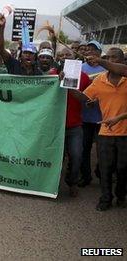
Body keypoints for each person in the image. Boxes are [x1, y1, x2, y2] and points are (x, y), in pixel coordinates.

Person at [69, 48, 127, 211]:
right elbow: (85, 98)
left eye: (114, 58)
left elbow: (118, 69)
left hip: (125, 134)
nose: (110, 60)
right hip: (106, 133)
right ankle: (106, 198)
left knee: (123, 169)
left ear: (122, 61)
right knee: (105, 168)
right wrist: (68, 86)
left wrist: (100, 60)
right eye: (107, 57)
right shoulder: (100, 80)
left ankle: (121, 195)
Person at [53, 48, 91, 197]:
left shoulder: (84, 77)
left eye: (68, 54)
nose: (64, 57)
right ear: (57, 58)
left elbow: (88, 99)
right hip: (56, 126)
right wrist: (56, 80)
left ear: (74, 57)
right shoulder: (51, 75)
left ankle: (72, 182)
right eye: (61, 55)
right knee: (56, 158)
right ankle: (53, 184)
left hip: (75, 125)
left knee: (76, 156)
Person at [79, 40, 105, 187]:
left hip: (102, 118)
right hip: (84, 116)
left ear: (100, 53)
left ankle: (102, 174)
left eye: (94, 50)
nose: (90, 52)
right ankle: (85, 176)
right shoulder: (80, 68)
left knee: (102, 149)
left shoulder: (106, 68)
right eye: (88, 49)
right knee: (85, 148)